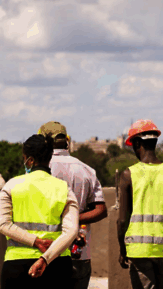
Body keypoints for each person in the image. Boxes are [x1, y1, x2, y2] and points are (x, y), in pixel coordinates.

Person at [0, 134, 79, 289]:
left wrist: (35, 241)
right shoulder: (64, 189)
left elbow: (2, 224)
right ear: (49, 158)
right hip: (57, 267)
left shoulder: (11, 186)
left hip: (17, 266)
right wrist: (45, 259)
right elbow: (71, 231)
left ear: (30, 160)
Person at [38, 121, 108, 289]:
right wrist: (74, 219)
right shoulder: (86, 169)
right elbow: (101, 210)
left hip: (47, 252)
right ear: (66, 141)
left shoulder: (40, 170)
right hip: (80, 252)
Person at [116, 120, 163, 289]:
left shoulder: (128, 174)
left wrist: (123, 250)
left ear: (138, 143)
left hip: (139, 251)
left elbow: (122, 221)